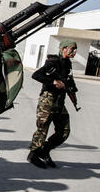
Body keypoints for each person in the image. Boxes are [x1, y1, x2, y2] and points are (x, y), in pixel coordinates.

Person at [27, 40, 78, 169]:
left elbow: (68, 80)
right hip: (48, 99)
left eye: (75, 49)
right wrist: (53, 81)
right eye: (72, 49)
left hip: (60, 101)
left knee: (64, 131)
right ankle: (33, 154)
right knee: (42, 128)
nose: (75, 52)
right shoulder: (53, 62)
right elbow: (36, 75)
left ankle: (44, 151)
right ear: (63, 49)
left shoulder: (67, 63)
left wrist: (71, 88)